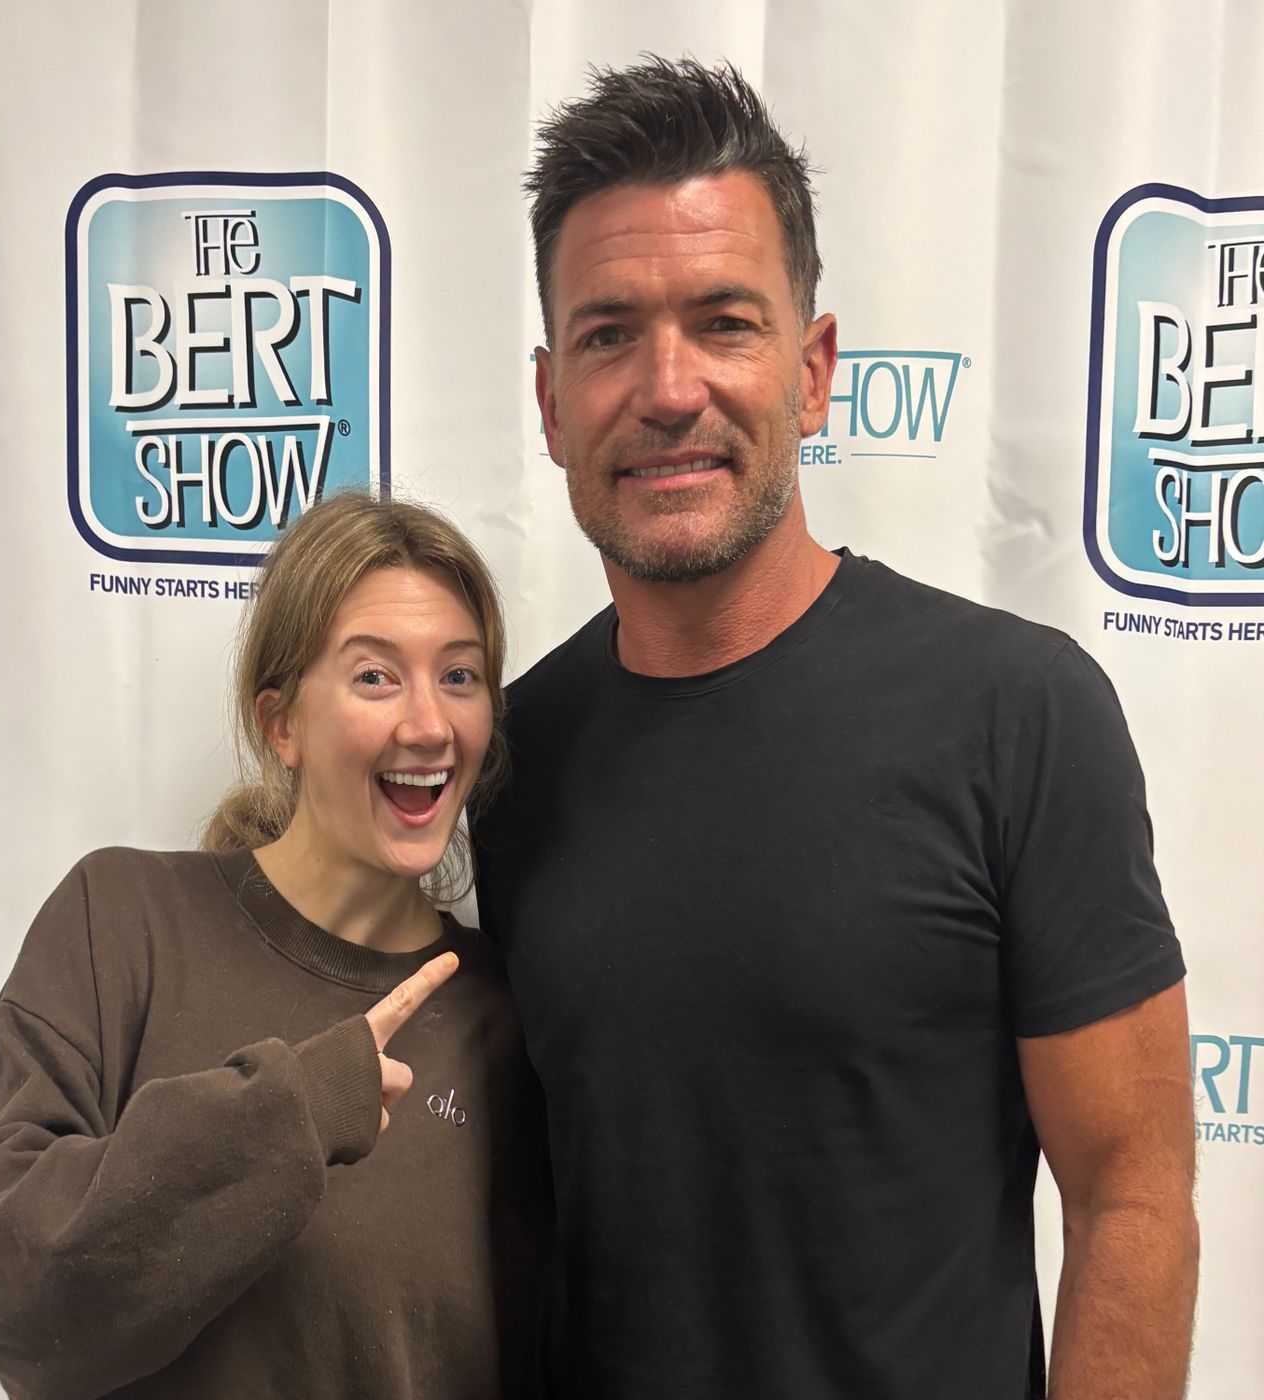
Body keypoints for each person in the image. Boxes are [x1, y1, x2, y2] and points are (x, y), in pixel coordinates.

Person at [472, 57, 1197, 1400]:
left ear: (811, 374)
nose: (668, 388)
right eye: (608, 334)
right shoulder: (510, 759)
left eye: (723, 322)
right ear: (552, 404)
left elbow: (1131, 1197)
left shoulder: (1017, 713)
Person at [0, 492, 551, 1400]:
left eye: (460, 675)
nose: (428, 725)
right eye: (375, 677)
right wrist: (291, 1113)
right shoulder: (125, 920)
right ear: (281, 724)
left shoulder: (509, 1013)